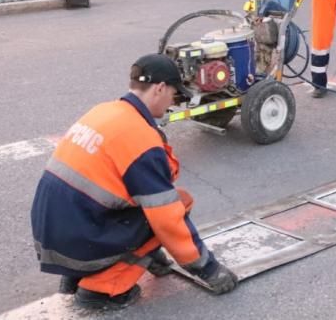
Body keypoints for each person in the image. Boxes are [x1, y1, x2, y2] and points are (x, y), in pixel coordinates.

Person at [30, 54, 238, 311]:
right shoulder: (140, 139)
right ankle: (100, 291)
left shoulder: (105, 111)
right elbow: (167, 219)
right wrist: (208, 269)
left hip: (56, 236)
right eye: (174, 94)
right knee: (176, 205)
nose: (173, 102)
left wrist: (152, 255)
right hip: (79, 241)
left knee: (146, 206)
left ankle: (75, 276)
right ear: (160, 88)